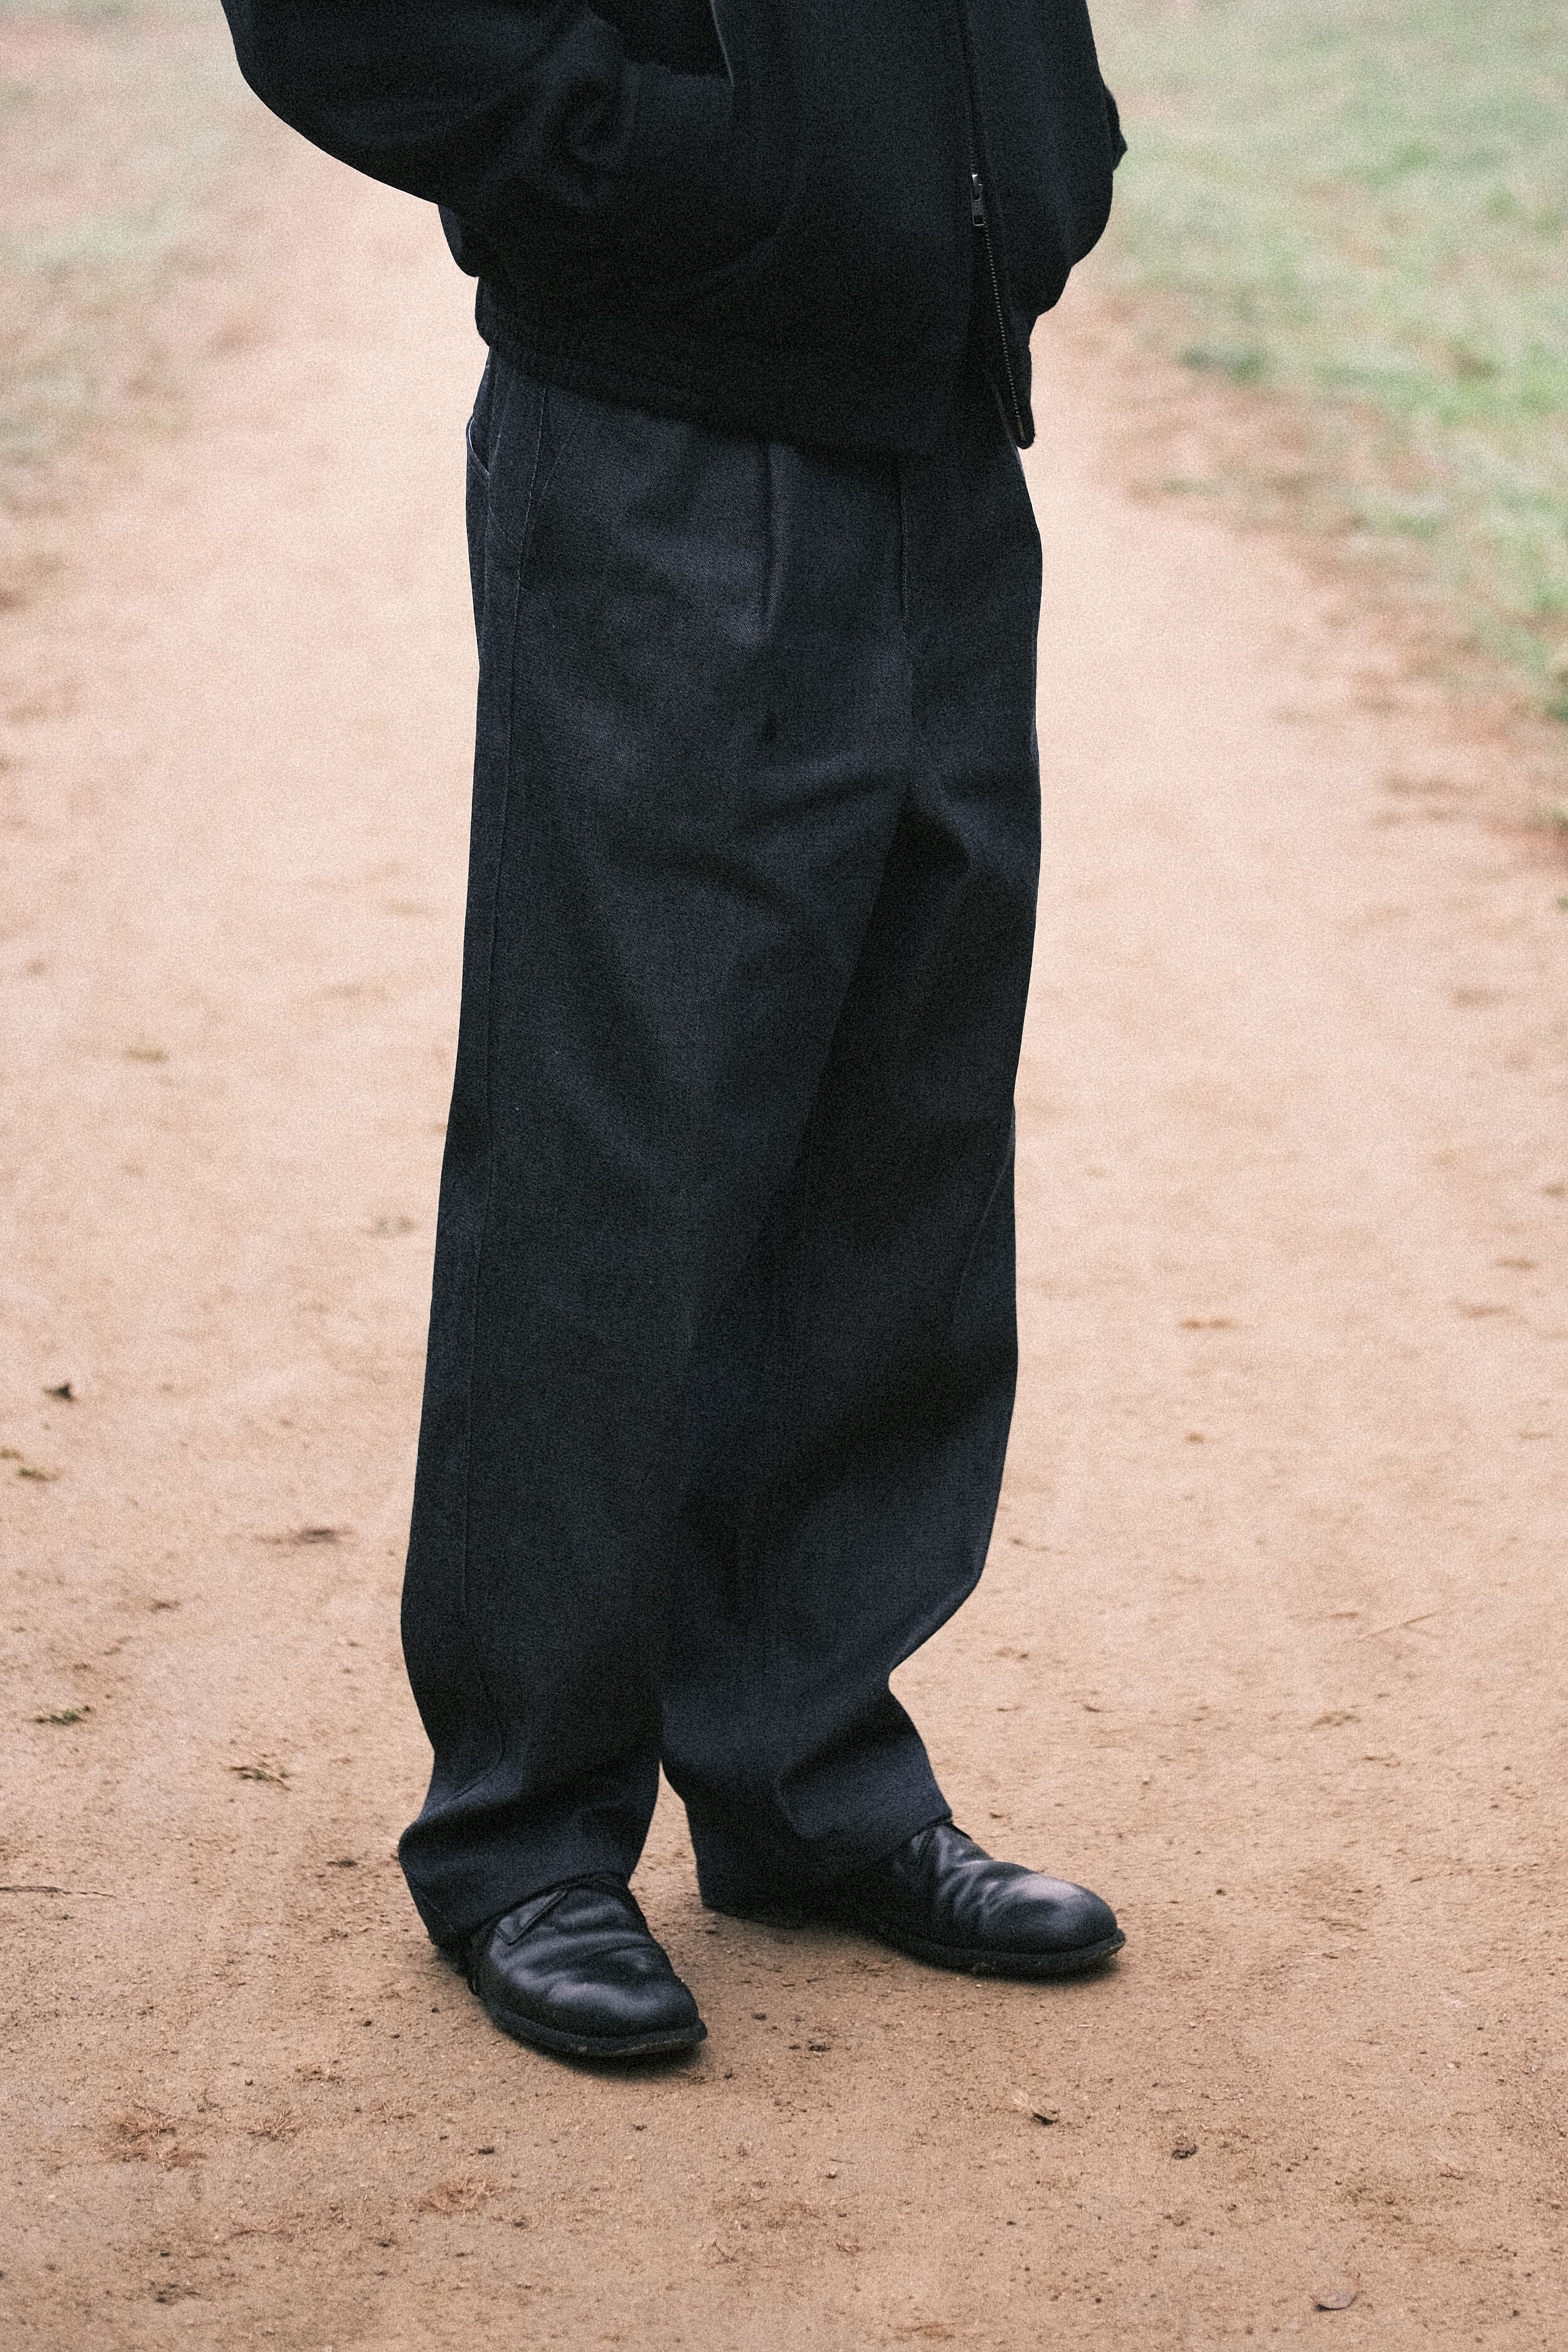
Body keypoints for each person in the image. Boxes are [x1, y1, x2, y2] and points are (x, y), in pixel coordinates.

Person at [220, 0, 1129, 2063]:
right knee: (617, 1135)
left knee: (893, 1133)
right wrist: (668, 171)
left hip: (940, 422)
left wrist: (1040, 145)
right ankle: (527, 1832)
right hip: (661, 430)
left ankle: (807, 1777)